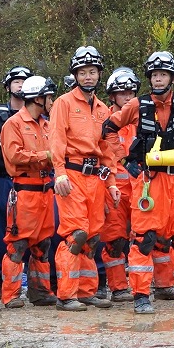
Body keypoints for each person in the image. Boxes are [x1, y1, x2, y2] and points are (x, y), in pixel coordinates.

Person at [107, 50, 174, 314]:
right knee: (145, 238)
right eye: (154, 75)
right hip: (148, 180)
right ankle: (141, 296)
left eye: (163, 74)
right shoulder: (136, 105)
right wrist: (125, 162)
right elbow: (108, 130)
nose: (158, 79)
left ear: (173, 78)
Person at [48, 46, 117, 311]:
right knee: (74, 235)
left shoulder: (102, 109)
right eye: (83, 72)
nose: (88, 76)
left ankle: (86, 291)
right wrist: (60, 172)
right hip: (73, 175)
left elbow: (107, 148)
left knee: (92, 237)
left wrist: (111, 183)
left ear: (99, 74)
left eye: (92, 72)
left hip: (95, 178)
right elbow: (56, 139)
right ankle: (66, 295)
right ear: (75, 75)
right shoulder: (64, 103)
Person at [0, 76, 57, 308]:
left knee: (43, 244)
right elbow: (14, 156)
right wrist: (45, 157)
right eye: (49, 97)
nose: (52, 101)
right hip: (24, 191)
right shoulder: (13, 124)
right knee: (18, 244)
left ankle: (40, 292)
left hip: (46, 192)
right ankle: (10, 295)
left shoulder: (47, 124)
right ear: (38, 98)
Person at [0, 66, 33, 297]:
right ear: (8, 86)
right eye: (16, 82)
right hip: (3, 181)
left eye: (25, 81)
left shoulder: (39, 116)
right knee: (2, 227)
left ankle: (35, 277)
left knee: (34, 228)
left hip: (31, 181)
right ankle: (0, 276)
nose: (20, 85)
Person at [96, 67, 140, 303]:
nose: (127, 97)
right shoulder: (104, 122)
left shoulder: (143, 121)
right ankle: (118, 288)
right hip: (113, 191)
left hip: (140, 190)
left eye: (131, 92)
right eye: (122, 93)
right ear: (112, 96)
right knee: (115, 241)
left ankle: (152, 284)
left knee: (146, 239)